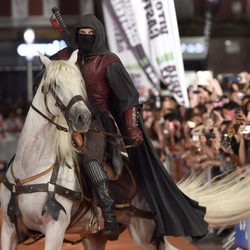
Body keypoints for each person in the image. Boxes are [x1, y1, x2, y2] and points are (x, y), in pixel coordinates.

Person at [51, 13, 208, 242]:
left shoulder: (108, 61)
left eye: (90, 34)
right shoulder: (67, 56)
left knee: (91, 159)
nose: (85, 37)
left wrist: (132, 127)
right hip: (68, 120)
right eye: (81, 34)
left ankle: (107, 213)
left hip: (98, 122)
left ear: (98, 36)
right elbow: (46, 73)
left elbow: (129, 98)